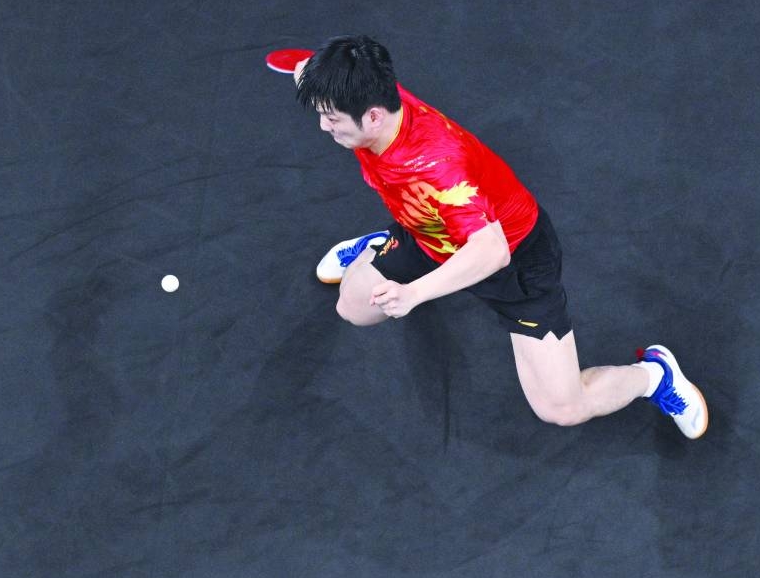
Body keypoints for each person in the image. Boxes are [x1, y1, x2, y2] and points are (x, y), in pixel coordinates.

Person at [291, 35, 707, 438]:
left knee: (563, 409)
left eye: (331, 118)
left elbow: (491, 252)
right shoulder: (367, 88)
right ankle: (382, 244)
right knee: (355, 308)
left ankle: (654, 376)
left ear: (374, 116)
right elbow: (314, 71)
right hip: (427, 230)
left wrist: (414, 293)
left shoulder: (438, 167)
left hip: (513, 259)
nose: (324, 127)